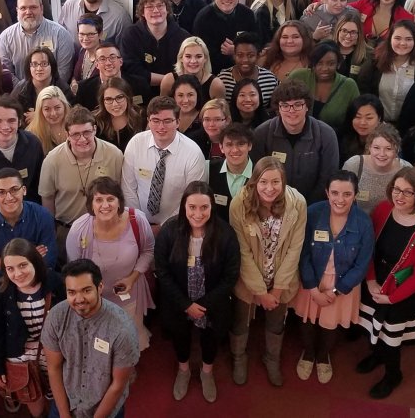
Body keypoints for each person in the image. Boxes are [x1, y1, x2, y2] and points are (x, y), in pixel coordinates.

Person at [355, 167, 415, 399]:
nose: (399, 196)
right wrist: (371, 280)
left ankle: (393, 374)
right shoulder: (383, 209)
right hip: (376, 283)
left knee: (392, 340)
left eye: (408, 192)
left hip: (400, 294)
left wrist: (391, 298)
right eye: (396, 189)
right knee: (372, 326)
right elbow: (369, 248)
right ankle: (377, 354)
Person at [154, 183, 241, 403]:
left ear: (212, 207)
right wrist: (186, 304)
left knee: (210, 338)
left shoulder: (225, 234)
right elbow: (162, 272)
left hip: (212, 303)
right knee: (180, 336)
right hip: (178, 302)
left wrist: (204, 305)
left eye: (204, 207)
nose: (198, 214)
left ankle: (207, 372)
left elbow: (230, 276)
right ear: (184, 206)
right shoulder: (169, 231)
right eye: (192, 207)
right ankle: (183, 370)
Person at [226, 158, 306, 388]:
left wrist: (277, 289)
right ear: (254, 182)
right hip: (248, 277)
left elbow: (294, 248)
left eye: (276, 182)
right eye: (263, 182)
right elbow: (242, 252)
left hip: (282, 277)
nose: (269, 188)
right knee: (240, 321)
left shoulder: (297, 203)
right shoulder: (239, 204)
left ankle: (272, 358)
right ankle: (239, 357)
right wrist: (261, 292)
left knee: (275, 321)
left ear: (284, 182)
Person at [293, 171, 374, 384]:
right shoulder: (312, 213)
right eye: (335, 193)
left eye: (347, 194)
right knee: (307, 320)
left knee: (330, 324)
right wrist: (311, 288)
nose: (340, 199)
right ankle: (309, 353)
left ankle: (322, 357)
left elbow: (362, 263)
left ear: (355, 195)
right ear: (327, 193)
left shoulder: (364, 222)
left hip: (342, 284)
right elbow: (301, 253)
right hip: (311, 280)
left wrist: (337, 290)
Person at [43, 259, 140, 418]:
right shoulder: (56, 317)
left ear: (100, 287)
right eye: (72, 292)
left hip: (104, 408)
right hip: (66, 401)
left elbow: (118, 385)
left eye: (86, 290)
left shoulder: (122, 329)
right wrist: (64, 414)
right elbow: (54, 368)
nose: (79, 299)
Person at [66, 177, 155, 348]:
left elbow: (148, 250)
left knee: (129, 336)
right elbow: (74, 271)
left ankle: (127, 369)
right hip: (94, 299)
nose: (105, 205)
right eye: (98, 200)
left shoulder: (137, 220)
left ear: (119, 201)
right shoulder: (79, 229)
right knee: (101, 340)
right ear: (91, 204)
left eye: (110, 199)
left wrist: (132, 278)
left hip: (130, 293)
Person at [0, 238, 59, 417]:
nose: (17, 273)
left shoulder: (54, 281)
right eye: (10, 269)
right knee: (32, 397)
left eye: (22, 265)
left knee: (58, 395)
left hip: (52, 353)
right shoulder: (0, 291)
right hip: (20, 356)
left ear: (34, 261)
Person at [40, 107, 125, 251]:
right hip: (66, 230)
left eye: (87, 132)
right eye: (75, 135)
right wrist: (51, 233)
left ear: (95, 130)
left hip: (105, 229)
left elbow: (121, 194)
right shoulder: (52, 160)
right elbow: (47, 199)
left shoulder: (114, 155)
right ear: (67, 135)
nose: (82, 139)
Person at [121, 96, 206, 228]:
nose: (161, 127)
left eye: (167, 121)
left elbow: (192, 200)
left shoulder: (193, 153)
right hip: (137, 223)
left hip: (177, 226)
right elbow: (128, 189)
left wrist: (164, 228)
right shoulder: (136, 144)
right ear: (148, 121)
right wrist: (139, 223)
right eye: (155, 120)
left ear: (178, 122)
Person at [251, 79, 339, 206]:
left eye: (298, 104)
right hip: (270, 205)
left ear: (307, 106)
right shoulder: (261, 134)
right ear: (278, 108)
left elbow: (328, 178)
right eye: (285, 105)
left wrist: (305, 207)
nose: (291, 110)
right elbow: (256, 175)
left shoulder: (326, 135)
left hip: (312, 206)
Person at [0, 167, 58, 291]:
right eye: (1, 192)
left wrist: (1, 262)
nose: (9, 197)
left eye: (14, 189)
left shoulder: (42, 216)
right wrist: (31, 257)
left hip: (38, 286)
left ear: (24, 190)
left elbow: (48, 263)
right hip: (1, 290)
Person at [119, 0, 190, 104]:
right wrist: (168, 80)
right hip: (139, 97)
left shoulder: (183, 37)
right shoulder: (130, 35)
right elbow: (132, 71)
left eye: (160, 5)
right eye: (150, 7)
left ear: (167, 9)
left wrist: (169, 83)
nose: (156, 10)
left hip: (175, 96)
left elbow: (187, 70)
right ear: (142, 11)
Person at [356, 20, 415, 125]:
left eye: (408, 39)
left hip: (408, 127)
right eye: (397, 38)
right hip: (376, 124)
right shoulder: (374, 63)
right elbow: (363, 92)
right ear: (390, 39)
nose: (402, 43)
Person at [0, 0, 77, 86]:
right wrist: (25, 92)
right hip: (19, 97)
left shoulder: (61, 34)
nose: (28, 12)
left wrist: (45, 93)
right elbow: (7, 73)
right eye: (23, 8)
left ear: (41, 8)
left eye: (33, 7)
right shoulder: (5, 37)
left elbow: (63, 72)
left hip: (54, 95)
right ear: (17, 11)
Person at [193, 0, 260, 74]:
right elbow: (203, 56)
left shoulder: (248, 14)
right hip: (216, 75)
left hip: (247, 71)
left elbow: (258, 44)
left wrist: (236, 51)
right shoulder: (202, 19)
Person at [286, 42, 359, 132]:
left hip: (335, 138)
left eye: (331, 64)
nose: (325, 68)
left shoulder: (349, 85)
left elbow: (357, 117)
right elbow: (279, 102)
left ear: (338, 64)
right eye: (319, 63)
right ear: (313, 63)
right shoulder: (298, 76)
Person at [342, 124, 411, 217]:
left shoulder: (406, 169)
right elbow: (341, 199)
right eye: (376, 148)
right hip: (359, 224)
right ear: (369, 147)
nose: (382, 154)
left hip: (389, 225)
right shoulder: (354, 165)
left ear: (397, 149)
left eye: (388, 149)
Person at [215, 32, 279, 109]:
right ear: (234, 56)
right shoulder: (222, 79)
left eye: (250, 55)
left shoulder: (270, 79)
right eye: (240, 55)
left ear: (258, 56)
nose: (245, 60)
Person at [12, 47, 73, 123]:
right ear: (29, 67)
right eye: (34, 64)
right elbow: (12, 114)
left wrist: (39, 116)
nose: (39, 68)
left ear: (52, 66)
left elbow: (71, 117)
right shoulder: (20, 88)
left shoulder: (63, 89)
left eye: (44, 64)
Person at [159, 36, 227, 101]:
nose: (193, 61)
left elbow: (221, 112)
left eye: (198, 56)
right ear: (181, 58)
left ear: (205, 58)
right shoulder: (169, 81)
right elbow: (161, 110)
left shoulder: (216, 85)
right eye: (188, 56)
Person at [208, 123, 253, 219]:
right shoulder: (208, 169)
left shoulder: (261, 172)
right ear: (221, 147)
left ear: (249, 146)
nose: (235, 150)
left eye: (241, 144)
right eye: (229, 144)